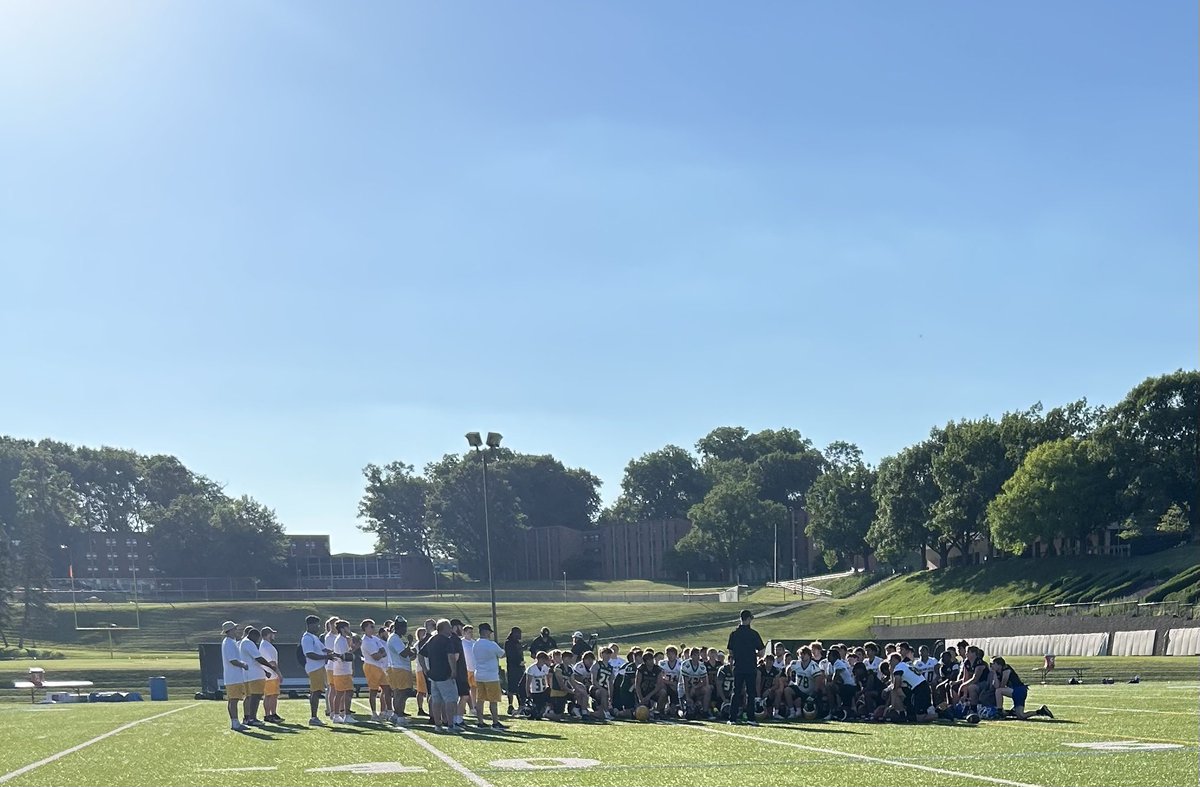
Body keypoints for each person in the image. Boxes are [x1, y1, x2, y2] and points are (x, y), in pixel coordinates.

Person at [421, 618, 462, 733]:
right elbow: (450, 656)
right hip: (445, 675)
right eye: (449, 627)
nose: (451, 629)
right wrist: (453, 671)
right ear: (444, 628)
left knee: (436, 700)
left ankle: (438, 725)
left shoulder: (431, 640)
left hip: (434, 676)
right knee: (451, 700)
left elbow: (420, 654)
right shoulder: (447, 640)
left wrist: (425, 669)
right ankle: (450, 725)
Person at [726, 609, 765, 725]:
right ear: (748, 619)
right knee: (751, 693)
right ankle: (750, 718)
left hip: (738, 666)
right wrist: (753, 654)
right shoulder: (753, 634)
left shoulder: (734, 634)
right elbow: (762, 652)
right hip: (750, 666)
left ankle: (732, 718)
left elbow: (730, 652)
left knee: (736, 692)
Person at [470, 623, 508, 729]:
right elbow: (502, 654)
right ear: (486, 632)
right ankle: (495, 722)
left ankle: (480, 722)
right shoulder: (491, 644)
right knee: (493, 700)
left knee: (480, 699)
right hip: (491, 676)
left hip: (479, 675)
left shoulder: (475, 644)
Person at [301, 615, 333, 727]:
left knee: (318, 691)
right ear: (311, 625)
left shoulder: (314, 637)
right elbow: (309, 654)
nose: (318, 627)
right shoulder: (307, 638)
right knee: (315, 691)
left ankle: (314, 717)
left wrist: (335, 653)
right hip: (314, 668)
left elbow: (324, 649)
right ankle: (313, 717)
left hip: (319, 667)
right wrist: (326, 657)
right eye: (316, 625)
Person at [239, 627, 273, 727]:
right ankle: (252, 718)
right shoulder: (248, 643)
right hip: (254, 675)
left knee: (251, 697)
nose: (257, 641)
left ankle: (248, 717)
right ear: (253, 636)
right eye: (257, 638)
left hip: (249, 674)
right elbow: (258, 658)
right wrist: (271, 667)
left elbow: (254, 661)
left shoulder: (244, 642)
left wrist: (265, 671)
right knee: (256, 696)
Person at [360, 619, 390, 721]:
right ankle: (374, 713)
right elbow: (375, 656)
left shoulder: (375, 639)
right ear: (365, 629)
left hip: (379, 666)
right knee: (373, 690)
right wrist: (380, 654)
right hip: (371, 666)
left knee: (386, 688)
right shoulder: (365, 641)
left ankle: (387, 711)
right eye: (371, 627)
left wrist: (380, 654)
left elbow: (383, 651)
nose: (373, 628)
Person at [220, 621, 248, 731]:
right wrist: (243, 665)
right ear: (230, 630)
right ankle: (235, 722)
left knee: (233, 700)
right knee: (234, 700)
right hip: (233, 677)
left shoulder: (230, 642)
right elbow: (232, 660)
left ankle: (235, 722)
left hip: (233, 677)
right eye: (234, 629)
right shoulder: (228, 643)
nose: (236, 630)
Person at [386, 617, 414, 724]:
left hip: (396, 668)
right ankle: (400, 717)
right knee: (402, 693)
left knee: (398, 693)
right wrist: (410, 643)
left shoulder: (394, 638)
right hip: (400, 669)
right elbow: (403, 653)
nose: (405, 630)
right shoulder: (395, 639)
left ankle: (396, 715)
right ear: (400, 628)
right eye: (404, 627)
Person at [328, 619, 356, 723]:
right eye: (347, 627)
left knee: (342, 693)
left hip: (344, 670)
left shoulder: (344, 639)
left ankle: (338, 715)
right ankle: (344, 715)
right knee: (346, 692)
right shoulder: (340, 640)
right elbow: (344, 657)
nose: (349, 629)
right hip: (342, 671)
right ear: (343, 629)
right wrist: (355, 649)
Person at [258, 626, 283, 724]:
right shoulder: (266, 646)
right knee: (270, 695)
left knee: (273, 695)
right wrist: (279, 673)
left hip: (270, 674)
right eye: (272, 633)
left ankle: (272, 713)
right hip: (271, 674)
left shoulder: (265, 645)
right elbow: (272, 662)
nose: (273, 635)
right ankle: (269, 715)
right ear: (267, 635)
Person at [448, 619, 470, 727]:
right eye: (460, 627)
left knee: (456, 696)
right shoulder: (455, 639)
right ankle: (458, 719)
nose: (462, 629)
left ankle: (454, 718)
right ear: (455, 627)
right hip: (459, 673)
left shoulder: (449, 639)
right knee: (464, 695)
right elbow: (455, 657)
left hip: (455, 672)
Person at [680, 647, 712, 719]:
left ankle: (705, 711)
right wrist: (687, 696)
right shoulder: (685, 664)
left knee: (708, 688)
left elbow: (705, 682)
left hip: (696, 688)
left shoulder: (701, 666)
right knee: (688, 714)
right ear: (691, 656)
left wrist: (695, 687)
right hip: (685, 689)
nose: (697, 657)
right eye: (695, 655)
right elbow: (685, 682)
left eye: (698, 655)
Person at [634, 650, 666, 717]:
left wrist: (649, 696)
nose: (651, 661)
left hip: (653, 691)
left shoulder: (657, 669)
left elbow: (659, 685)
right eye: (649, 660)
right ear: (645, 661)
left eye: (652, 659)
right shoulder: (641, 669)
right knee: (637, 712)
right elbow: (637, 684)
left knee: (663, 692)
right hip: (643, 691)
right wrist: (640, 698)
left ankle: (658, 711)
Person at [525, 651, 553, 720]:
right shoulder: (532, 668)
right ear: (539, 659)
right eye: (543, 659)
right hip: (535, 692)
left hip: (543, 690)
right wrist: (528, 693)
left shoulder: (545, 668)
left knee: (547, 703)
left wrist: (549, 687)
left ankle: (546, 712)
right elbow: (528, 682)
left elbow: (548, 678)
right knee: (536, 711)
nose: (544, 661)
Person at [504, 627, 525, 715]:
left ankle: (521, 705)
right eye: (518, 633)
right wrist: (518, 662)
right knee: (512, 688)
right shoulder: (508, 643)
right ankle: (510, 705)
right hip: (512, 668)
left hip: (520, 668)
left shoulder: (517, 643)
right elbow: (511, 655)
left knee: (520, 687)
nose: (519, 635)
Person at [590, 647, 616, 720]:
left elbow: (610, 683)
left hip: (604, 690)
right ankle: (607, 713)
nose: (608, 656)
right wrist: (601, 689)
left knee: (600, 715)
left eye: (609, 654)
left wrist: (611, 696)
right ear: (601, 654)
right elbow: (593, 681)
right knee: (603, 692)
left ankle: (591, 713)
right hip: (595, 689)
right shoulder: (597, 665)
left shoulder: (610, 668)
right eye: (606, 654)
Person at [412, 627, 430, 717]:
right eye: (421, 633)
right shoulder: (417, 645)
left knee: (428, 691)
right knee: (421, 690)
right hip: (420, 669)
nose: (423, 635)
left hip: (427, 668)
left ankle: (430, 708)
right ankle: (420, 708)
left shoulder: (427, 643)